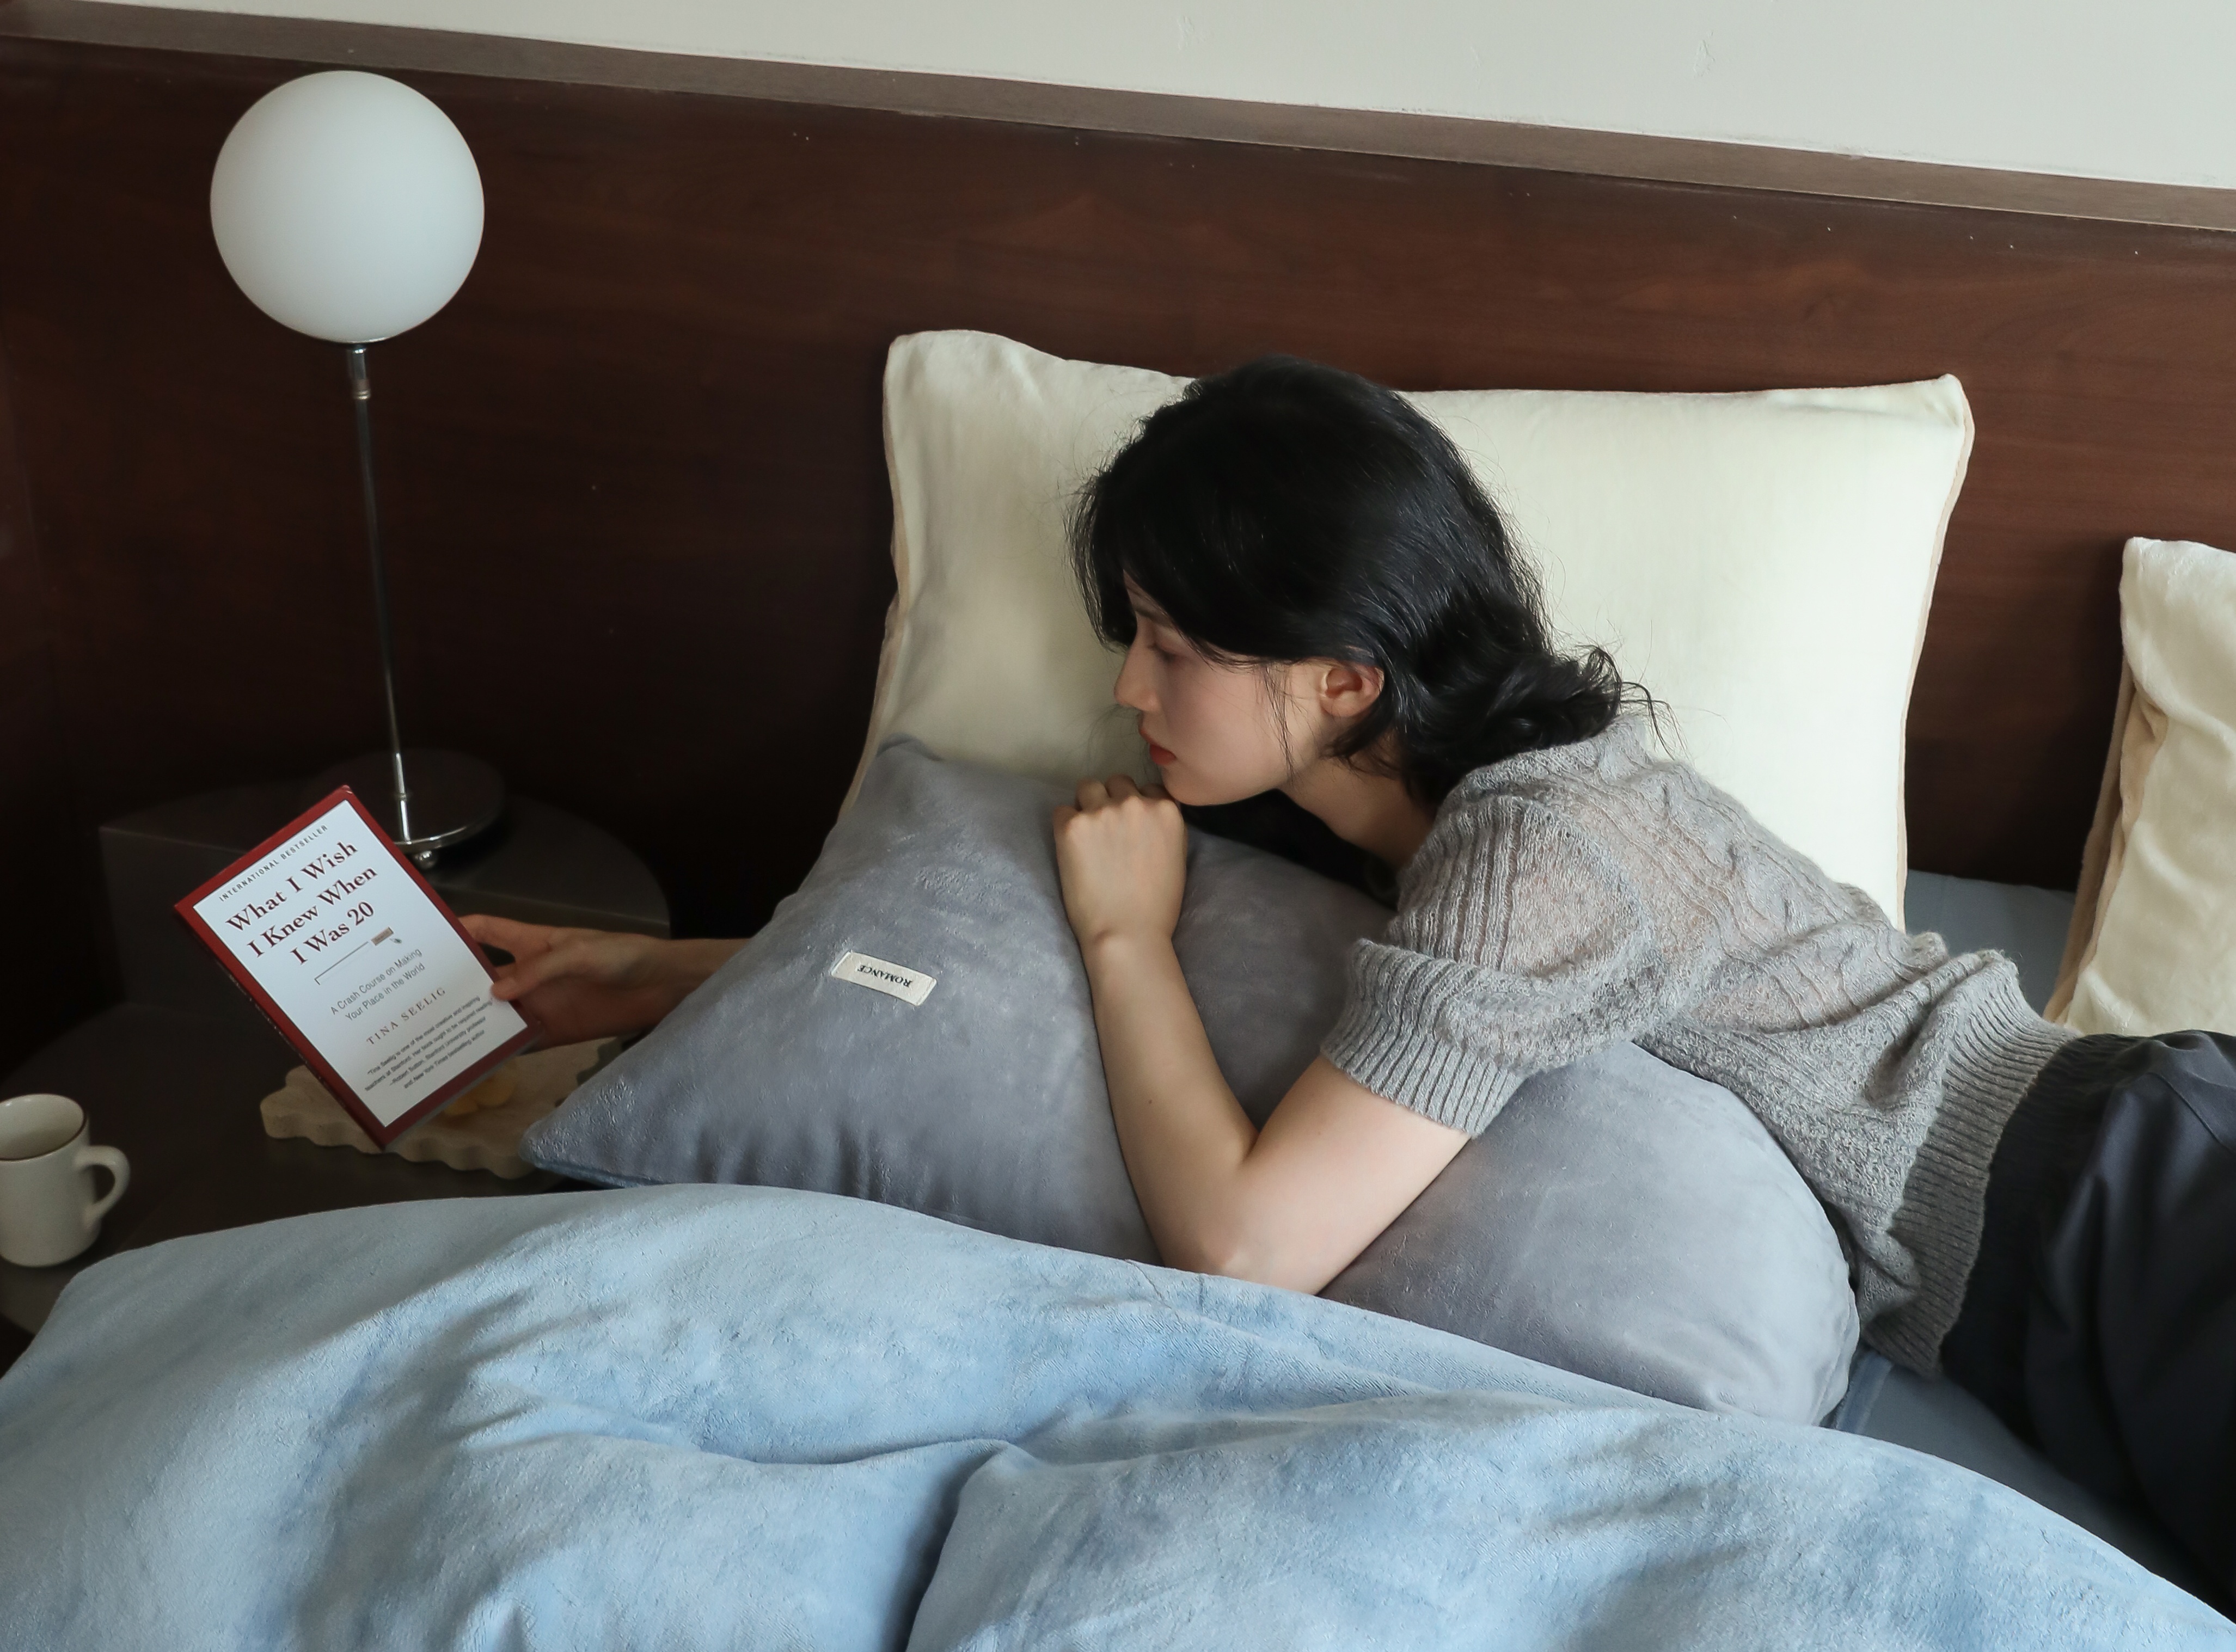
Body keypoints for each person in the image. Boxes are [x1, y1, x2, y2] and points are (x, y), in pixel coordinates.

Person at [467, 357, 2235, 1583]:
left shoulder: (1527, 854)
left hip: (2121, 1211)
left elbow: (1249, 1246)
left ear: (1338, 675)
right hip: (2089, 1213)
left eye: (1170, 644)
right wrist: (656, 977)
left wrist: (1123, 937)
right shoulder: (1413, 816)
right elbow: (964, 960)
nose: (1127, 689)